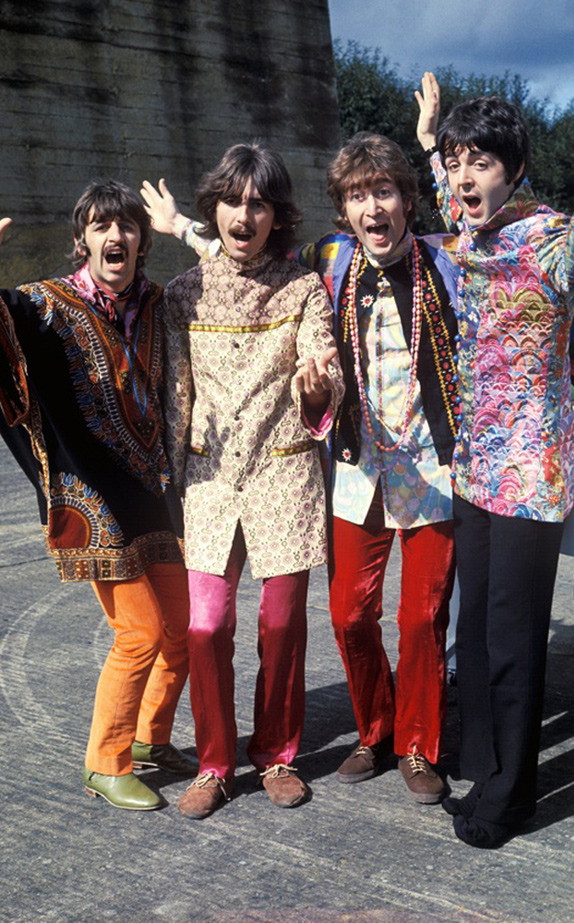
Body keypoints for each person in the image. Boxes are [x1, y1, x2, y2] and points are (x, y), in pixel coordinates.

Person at [143, 131, 461, 805]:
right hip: (292, 472)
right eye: (356, 195)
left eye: (383, 191)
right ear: (341, 209)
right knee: (271, 621)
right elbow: (226, 268)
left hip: (378, 470)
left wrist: (317, 387)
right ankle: (252, 755)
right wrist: (178, 229)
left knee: (394, 619)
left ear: (406, 199)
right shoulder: (303, 267)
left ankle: (368, 748)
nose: (371, 207)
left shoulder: (414, 267)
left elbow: (323, 359)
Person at [415, 72, 574, 847]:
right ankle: (485, 767)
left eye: (481, 162)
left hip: (531, 473)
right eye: (459, 162)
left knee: (514, 637)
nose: (464, 177)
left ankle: (512, 797)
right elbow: (447, 191)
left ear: (515, 170)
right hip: (476, 466)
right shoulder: (469, 233)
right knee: (478, 627)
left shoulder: (549, 238)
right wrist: (432, 141)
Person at [153, 142, 344, 820]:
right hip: (209, 479)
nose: (244, 215)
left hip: (283, 472)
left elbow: (324, 360)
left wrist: (317, 387)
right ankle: (214, 762)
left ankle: (277, 754)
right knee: (206, 626)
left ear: (277, 215)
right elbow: (176, 392)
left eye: (258, 204)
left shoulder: (302, 287)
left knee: (282, 621)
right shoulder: (184, 292)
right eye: (232, 202)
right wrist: (171, 481)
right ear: (214, 208)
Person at [0, 181, 196, 812]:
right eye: (100, 226)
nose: (115, 236)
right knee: (139, 632)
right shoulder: (44, 306)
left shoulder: (160, 304)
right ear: (81, 239)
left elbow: (234, 276)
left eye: (126, 225)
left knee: (183, 629)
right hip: (91, 501)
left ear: (141, 239)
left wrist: (187, 228)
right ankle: (104, 763)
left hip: (153, 494)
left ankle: (150, 739)